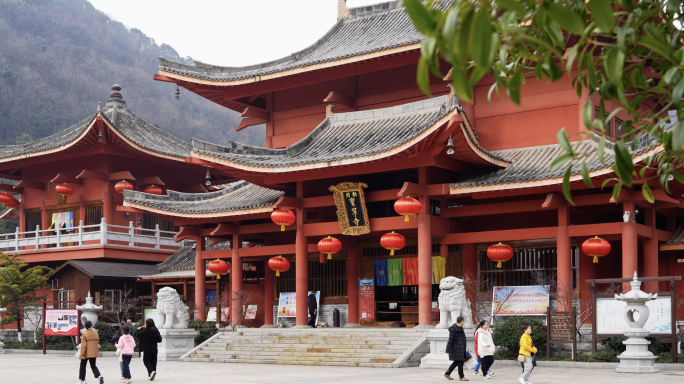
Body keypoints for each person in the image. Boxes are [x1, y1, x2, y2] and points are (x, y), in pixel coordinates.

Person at [444, 316, 468, 381]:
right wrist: (447, 349)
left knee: (457, 362)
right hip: (456, 349)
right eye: (464, 321)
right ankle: (461, 376)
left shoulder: (460, 328)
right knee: (460, 361)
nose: (464, 322)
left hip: (461, 349)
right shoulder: (454, 329)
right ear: (462, 321)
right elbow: (450, 340)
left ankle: (447, 373)